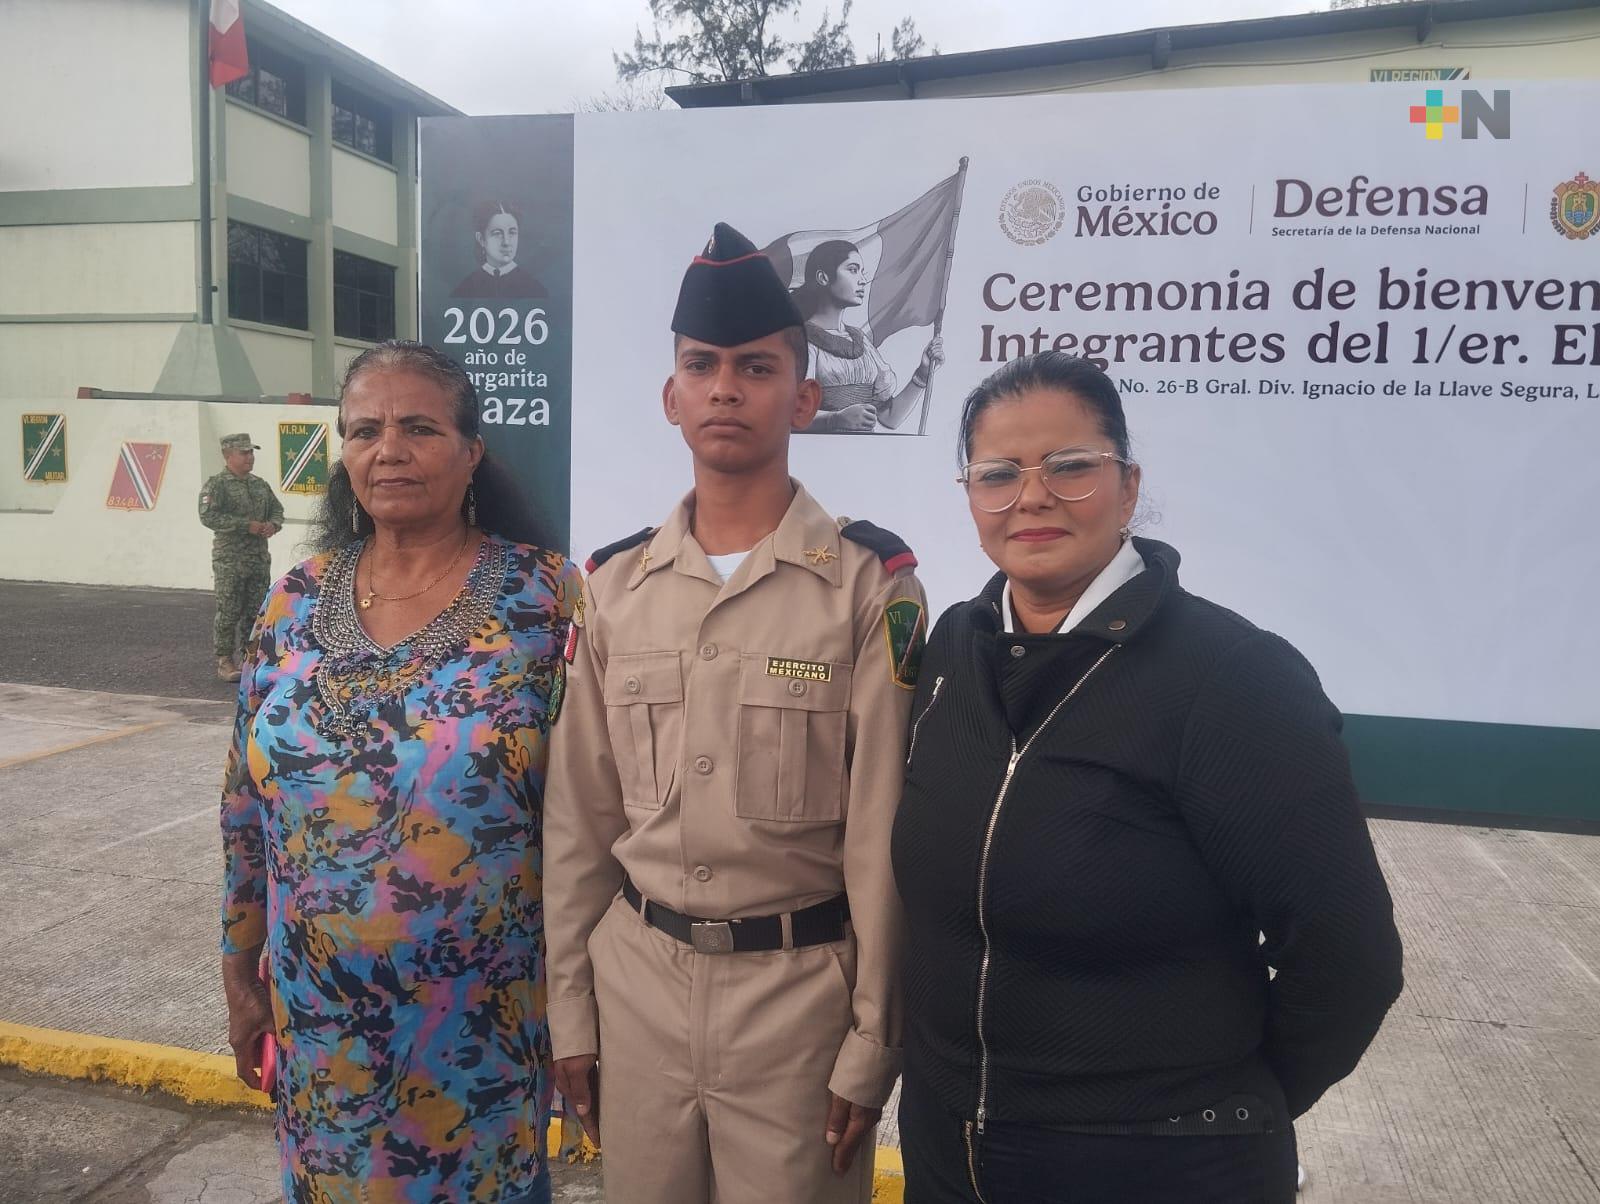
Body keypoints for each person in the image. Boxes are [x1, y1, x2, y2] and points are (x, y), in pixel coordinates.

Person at [890, 352, 1404, 1203]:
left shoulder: (1234, 679)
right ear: (971, 496)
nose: (1034, 495)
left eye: (1072, 467)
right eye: (999, 473)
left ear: (1128, 487)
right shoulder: (953, 648)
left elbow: (1349, 957)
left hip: (1152, 1160)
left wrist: (1233, 1105)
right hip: (950, 1149)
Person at [543, 223, 927, 1203]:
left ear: (804, 395)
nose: (724, 388)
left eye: (754, 367)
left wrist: (873, 1036)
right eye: (700, 365)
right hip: (638, 989)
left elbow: (884, 835)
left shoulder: (866, 589)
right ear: (670, 394)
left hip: (798, 1002)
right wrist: (572, 1012)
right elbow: (579, 822)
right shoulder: (617, 586)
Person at [218, 340, 578, 1204]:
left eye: (419, 427)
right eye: (365, 430)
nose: (389, 450)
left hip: (480, 1035)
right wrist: (239, 968)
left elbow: (591, 822)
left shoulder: (548, 598)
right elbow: (242, 803)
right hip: (320, 1033)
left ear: (471, 451)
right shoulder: (294, 599)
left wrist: (584, 1008)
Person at [790, 238, 943, 434]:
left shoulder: (860, 341)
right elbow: (789, 415)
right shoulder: (802, 340)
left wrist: (922, 373)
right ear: (823, 277)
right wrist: (834, 419)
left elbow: (889, 418)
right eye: (853, 270)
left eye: (862, 272)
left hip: (866, 455)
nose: (862, 280)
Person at [199, 433, 284, 682]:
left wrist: (273, 524)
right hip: (230, 559)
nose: (250, 457)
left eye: (251, 452)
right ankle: (225, 661)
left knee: (256, 612)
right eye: (244, 453)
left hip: (257, 558)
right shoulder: (217, 485)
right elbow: (208, 516)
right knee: (229, 611)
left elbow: (277, 509)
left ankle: (252, 659)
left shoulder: (259, 485)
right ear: (228, 456)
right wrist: (244, 525)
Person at [451, 201, 547, 299]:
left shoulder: (535, 289)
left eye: (512, 233)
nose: (506, 242)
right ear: (481, 239)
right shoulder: (465, 289)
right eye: (497, 233)